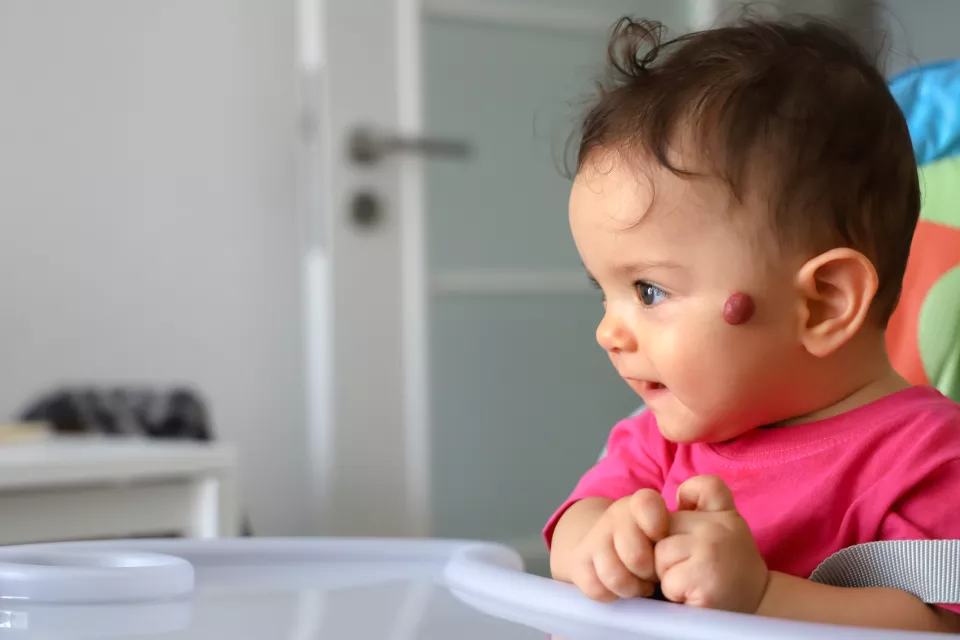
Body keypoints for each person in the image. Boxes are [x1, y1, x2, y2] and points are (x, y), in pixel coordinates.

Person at [544, 14, 960, 633]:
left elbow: (932, 623)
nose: (609, 332)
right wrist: (599, 546)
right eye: (604, 294)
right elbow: (573, 527)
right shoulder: (661, 439)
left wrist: (761, 598)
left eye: (648, 291)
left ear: (823, 303)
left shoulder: (926, 458)